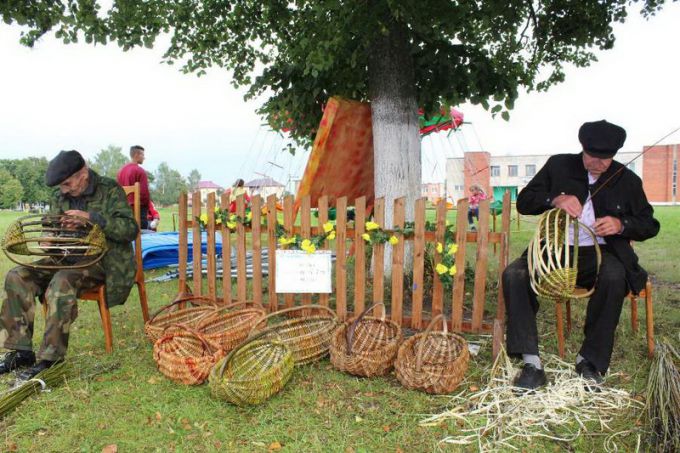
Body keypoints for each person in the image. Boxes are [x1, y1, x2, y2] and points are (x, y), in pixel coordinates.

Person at [502, 120, 660, 391]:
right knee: (514, 274)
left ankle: (589, 361)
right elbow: (525, 201)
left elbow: (649, 224)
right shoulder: (559, 165)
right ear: (582, 149)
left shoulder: (628, 180)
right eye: (591, 157)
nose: (597, 163)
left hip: (601, 252)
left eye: (605, 159)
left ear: (614, 155)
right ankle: (531, 362)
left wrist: (621, 225)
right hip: (554, 250)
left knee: (615, 276)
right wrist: (554, 199)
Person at [0, 150, 138, 382]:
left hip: (101, 260)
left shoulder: (110, 189)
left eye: (67, 183)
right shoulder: (60, 195)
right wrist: (49, 237)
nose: (63, 190)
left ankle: (50, 359)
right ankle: (21, 351)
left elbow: (129, 229)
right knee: (17, 275)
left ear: (83, 174)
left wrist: (92, 218)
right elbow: (51, 224)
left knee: (62, 281)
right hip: (63, 258)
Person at [117, 145, 151, 229]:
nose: (144, 157)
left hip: (123, 210)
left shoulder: (121, 171)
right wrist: (147, 206)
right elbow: (144, 194)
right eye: (142, 155)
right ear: (136, 155)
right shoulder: (140, 171)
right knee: (142, 236)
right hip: (138, 210)